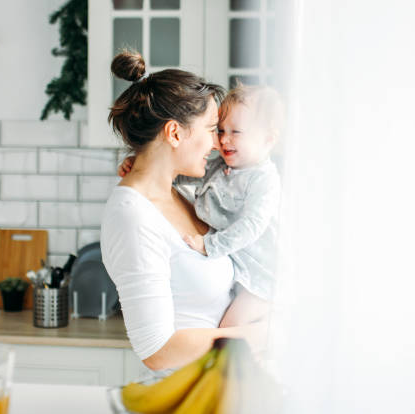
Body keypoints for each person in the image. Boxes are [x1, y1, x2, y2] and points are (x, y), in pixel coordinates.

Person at [101, 51, 267, 372]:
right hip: (181, 396)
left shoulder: (182, 195)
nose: (217, 144)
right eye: (211, 129)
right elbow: (157, 350)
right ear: (175, 133)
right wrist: (254, 336)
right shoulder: (132, 218)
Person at [119, 83, 284, 327]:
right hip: (240, 273)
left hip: (261, 280)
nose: (223, 141)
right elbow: (178, 169)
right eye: (220, 130)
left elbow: (252, 225)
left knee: (230, 331)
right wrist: (141, 163)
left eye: (236, 132)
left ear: (268, 139)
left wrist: (209, 245)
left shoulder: (264, 180)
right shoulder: (223, 165)